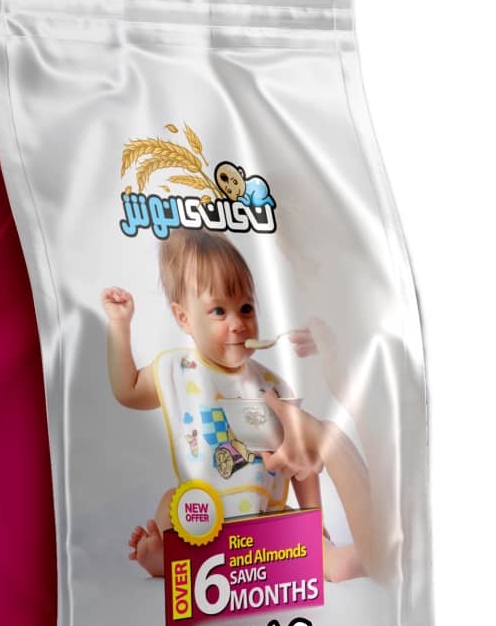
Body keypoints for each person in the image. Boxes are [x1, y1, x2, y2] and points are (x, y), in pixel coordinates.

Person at [101, 228, 362, 582]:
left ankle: (332, 560)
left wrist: (312, 519)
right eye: (219, 311)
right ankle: (169, 556)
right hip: (204, 516)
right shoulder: (179, 370)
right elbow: (127, 390)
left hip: (263, 519)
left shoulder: (271, 386)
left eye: (246, 308)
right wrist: (119, 325)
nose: (238, 324)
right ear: (183, 318)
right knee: (170, 503)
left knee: (305, 534)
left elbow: (303, 464)